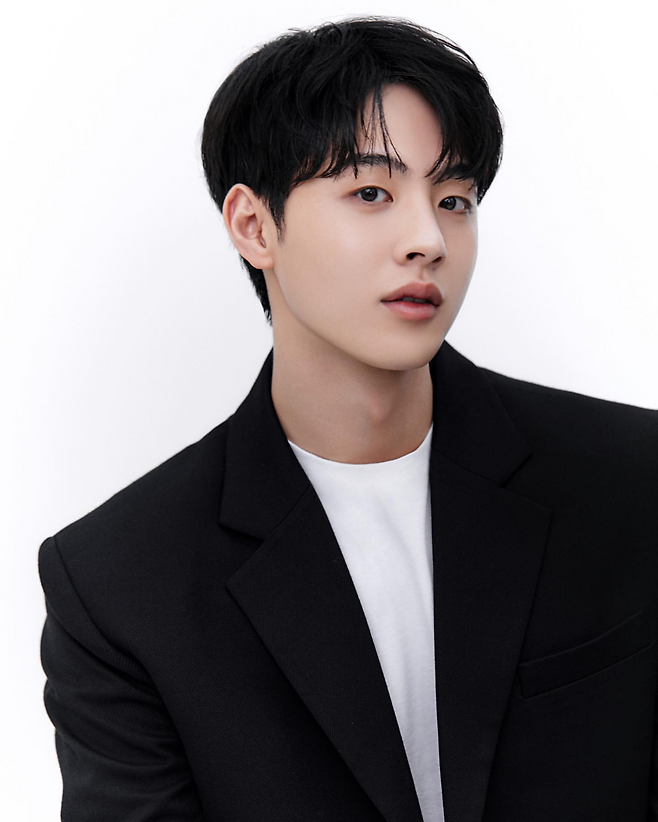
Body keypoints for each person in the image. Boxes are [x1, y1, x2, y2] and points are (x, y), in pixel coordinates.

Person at [38, 16, 658, 822]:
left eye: (454, 199)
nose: (428, 239)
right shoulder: (120, 584)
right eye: (371, 193)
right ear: (254, 226)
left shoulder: (631, 479)